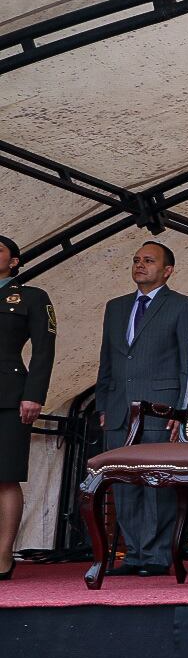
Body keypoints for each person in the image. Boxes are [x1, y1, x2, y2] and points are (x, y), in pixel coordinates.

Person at [96, 240, 188, 576]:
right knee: (125, 484)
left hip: (161, 409)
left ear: (167, 270)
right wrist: (103, 404)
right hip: (118, 410)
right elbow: (107, 361)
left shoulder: (183, 306)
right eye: (136, 259)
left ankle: (158, 556)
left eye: (149, 260)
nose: (140, 265)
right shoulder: (115, 307)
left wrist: (183, 410)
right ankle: (135, 555)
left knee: (158, 485)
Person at [0, 235, 54, 581]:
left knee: (4, 478)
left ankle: (3, 555)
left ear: (15, 261)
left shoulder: (32, 297)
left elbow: (44, 349)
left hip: (8, 395)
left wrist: (33, 395)